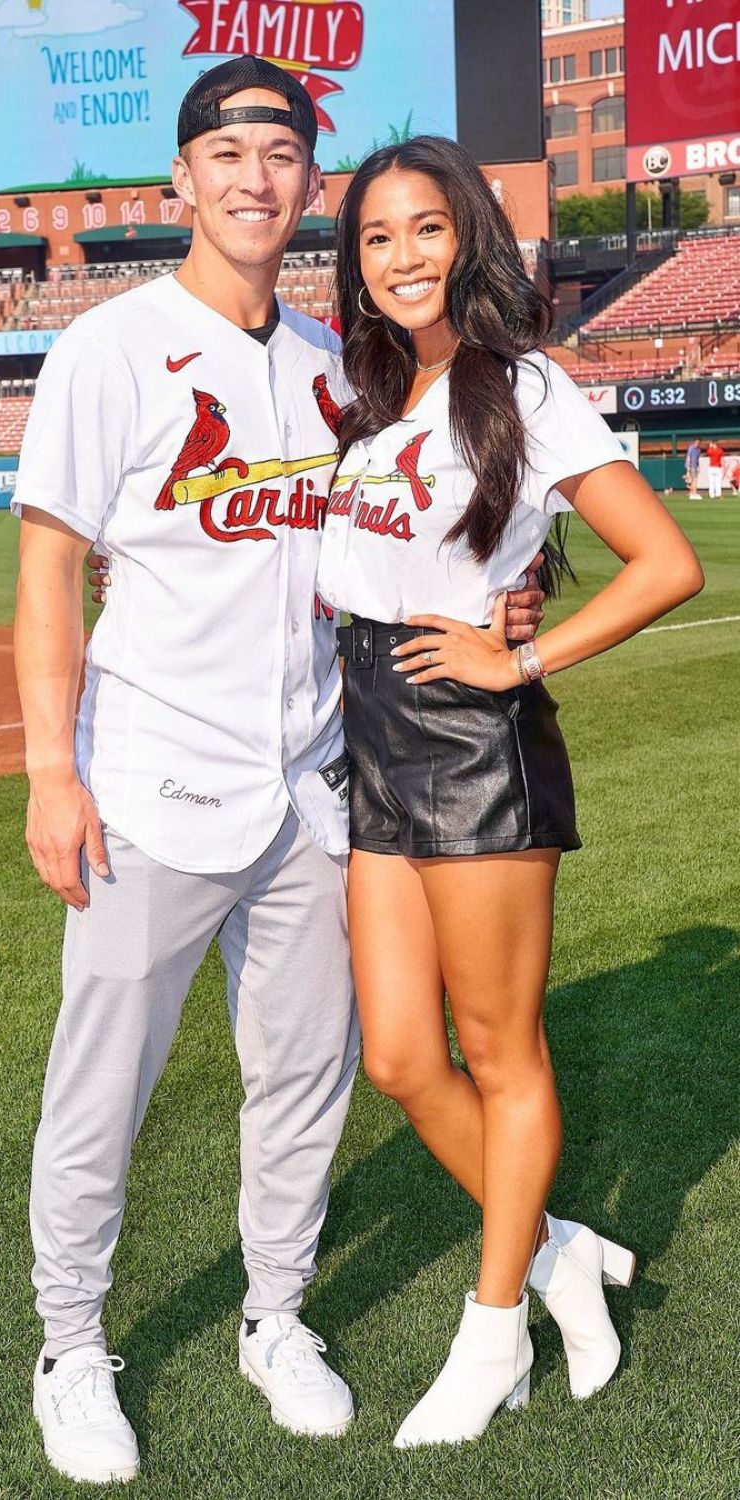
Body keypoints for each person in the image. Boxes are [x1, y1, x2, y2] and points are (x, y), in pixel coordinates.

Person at [11, 62, 544, 1485]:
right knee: (103, 1085)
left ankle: (276, 1316)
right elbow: (51, 572)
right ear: (179, 182)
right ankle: (71, 1346)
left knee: (301, 1079)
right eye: (227, 150)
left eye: (283, 153)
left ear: (312, 185)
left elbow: (416, 533)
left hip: (315, 781)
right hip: (148, 781)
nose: (256, 176)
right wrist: (49, 777)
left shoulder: (338, 361)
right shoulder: (108, 349)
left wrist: (512, 597)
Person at [316, 135, 704, 1449]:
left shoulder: (526, 387)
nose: (403, 256)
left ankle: (492, 1339)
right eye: (376, 238)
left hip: (472, 741)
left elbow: (663, 562)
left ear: (468, 239)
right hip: (370, 735)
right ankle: (559, 1255)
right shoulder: (368, 400)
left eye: (426, 230)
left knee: (499, 1049)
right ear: (355, 265)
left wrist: (518, 653)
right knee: (400, 1055)